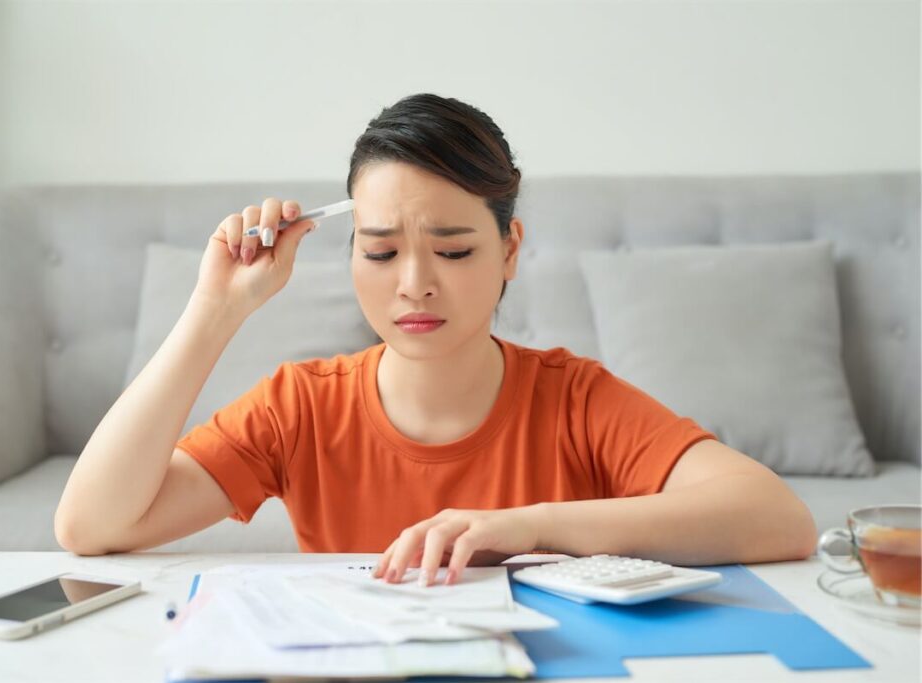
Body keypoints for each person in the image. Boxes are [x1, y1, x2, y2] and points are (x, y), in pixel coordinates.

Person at [55, 93, 817, 586]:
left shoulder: (574, 398)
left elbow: (778, 517)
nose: (414, 283)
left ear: (509, 250)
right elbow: (92, 526)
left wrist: (526, 528)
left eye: (452, 251)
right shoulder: (301, 408)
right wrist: (215, 309)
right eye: (381, 251)